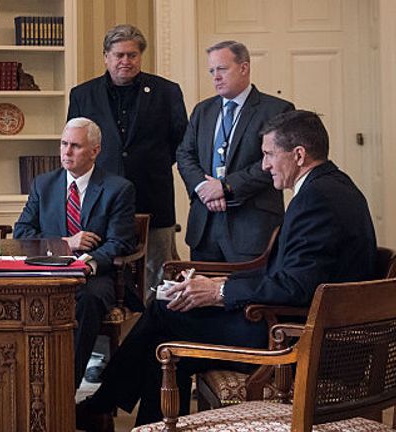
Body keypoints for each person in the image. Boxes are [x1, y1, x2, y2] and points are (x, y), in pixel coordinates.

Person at [75, 110, 378, 431]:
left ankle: (103, 404)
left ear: (299, 155)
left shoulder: (317, 198)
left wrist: (218, 292)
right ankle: (136, 419)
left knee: (165, 310)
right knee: (162, 342)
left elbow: (296, 286)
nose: (264, 166)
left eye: (268, 155)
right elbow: (289, 273)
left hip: (295, 340)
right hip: (296, 322)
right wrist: (219, 281)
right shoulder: (331, 186)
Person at [67, 24, 188, 300]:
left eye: (132, 55)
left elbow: (181, 143)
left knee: (157, 270)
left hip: (153, 193)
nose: (126, 61)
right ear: (106, 57)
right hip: (101, 198)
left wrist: (151, 164)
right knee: (103, 265)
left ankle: (153, 330)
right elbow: (75, 144)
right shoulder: (82, 94)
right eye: (119, 55)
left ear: (140, 57)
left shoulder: (166, 91)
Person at [14, 117, 136, 388]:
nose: (66, 152)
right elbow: (21, 234)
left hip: (95, 275)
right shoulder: (43, 184)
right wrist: (65, 243)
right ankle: (26, 385)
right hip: (47, 271)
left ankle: (64, 389)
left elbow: (120, 243)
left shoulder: (117, 189)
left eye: (76, 146)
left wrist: (87, 263)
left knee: (87, 300)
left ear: (95, 151)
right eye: (63, 144)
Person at [177, 40, 294, 262]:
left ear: (244, 68)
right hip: (205, 225)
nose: (215, 77)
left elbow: (275, 162)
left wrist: (225, 187)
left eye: (222, 69)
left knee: (245, 294)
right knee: (200, 293)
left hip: (251, 227)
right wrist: (204, 188)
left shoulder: (277, 110)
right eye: (212, 71)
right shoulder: (203, 110)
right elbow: (184, 154)